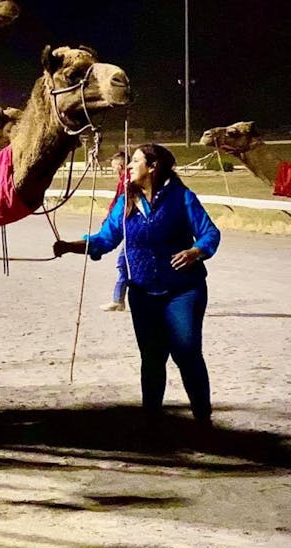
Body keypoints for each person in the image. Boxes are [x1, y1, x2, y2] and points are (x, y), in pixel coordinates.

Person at [53, 144, 221, 423]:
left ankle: (203, 419)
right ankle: (152, 422)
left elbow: (210, 234)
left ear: (152, 167)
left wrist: (195, 252)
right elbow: (104, 239)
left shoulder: (182, 198)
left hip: (183, 290)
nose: (128, 167)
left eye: (135, 161)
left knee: (186, 352)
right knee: (152, 359)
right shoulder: (125, 203)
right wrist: (70, 246)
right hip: (142, 293)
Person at [100, 151, 128, 312]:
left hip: (133, 228)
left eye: (115, 167)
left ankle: (118, 300)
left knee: (124, 263)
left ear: (121, 166)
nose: (115, 171)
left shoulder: (128, 183)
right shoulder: (123, 182)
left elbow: (120, 206)